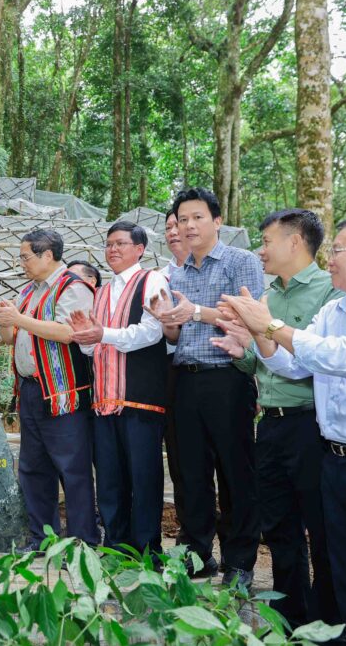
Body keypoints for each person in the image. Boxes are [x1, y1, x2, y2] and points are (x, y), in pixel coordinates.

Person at [221, 216, 346, 645]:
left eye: (339, 250)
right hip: (338, 462)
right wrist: (261, 336)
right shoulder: (335, 310)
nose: (329, 260)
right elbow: (295, 364)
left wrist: (270, 324)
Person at [211, 209, 342, 629]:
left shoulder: (330, 293)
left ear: (295, 242)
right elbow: (264, 364)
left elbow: (316, 360)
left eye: (267, 241)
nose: (260, 250)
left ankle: (328, 622)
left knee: (320, 532)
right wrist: (243, 351)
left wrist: (263, 330)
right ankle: (289, 620)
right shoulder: (269, 294)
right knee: (281, 529)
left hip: (311, 425)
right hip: (269, 423)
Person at [147, 187, 263, 588]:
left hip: (227, 377)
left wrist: (195, 311)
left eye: (197, 217)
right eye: (182, 219)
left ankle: (240, 560)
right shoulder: (176, 273)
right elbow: (178, 337)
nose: (188, 225)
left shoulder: (240, 261)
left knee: (235, 470)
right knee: (187, 472)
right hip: (183, 378)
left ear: (217, 221)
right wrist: (169, 322)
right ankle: (198, 553)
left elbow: (251, 317)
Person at [0, 229, 99, 549]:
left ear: (47, 255)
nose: (22, 263)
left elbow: (67, 333)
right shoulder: (28, 290)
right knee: (34, 468)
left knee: (72, 468)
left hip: (63, 393)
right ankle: (42, 539)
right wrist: (5, 320)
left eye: (25, 257)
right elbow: (10, 338)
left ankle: (82, 542)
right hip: (31, 390)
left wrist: (18, 317)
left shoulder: (74, 288)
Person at [70, 221, 169, 554]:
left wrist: (103, 335)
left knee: (143, 480)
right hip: (103, 401)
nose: (112, 250)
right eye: (108, 244)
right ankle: (116, 548)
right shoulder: (103, 291)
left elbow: (151, 332)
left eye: (121, 244)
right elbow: (93, 348)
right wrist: (87, 337)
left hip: (140, 400)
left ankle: (147, 552)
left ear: (139, 249)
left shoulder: (153, 280)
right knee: (110, 482)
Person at [158, 209, 192, 544]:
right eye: (168, 226)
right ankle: (189, 536)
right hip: (169, 371)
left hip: (216, 370)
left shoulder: (218, 270)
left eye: (179, 224)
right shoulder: (159, 278)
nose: (173, 231)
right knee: (180, 457)